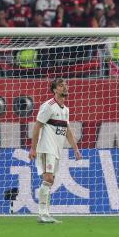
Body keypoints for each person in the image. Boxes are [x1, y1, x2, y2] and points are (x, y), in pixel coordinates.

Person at [28, 78, 82, 223]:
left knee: (50, 180)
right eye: (61, 86)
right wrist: (33, 148)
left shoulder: (65, 110)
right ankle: (42, 214)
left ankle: (45, 213)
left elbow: (68, 131)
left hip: (57, 149)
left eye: (66, 85)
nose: (65, 88)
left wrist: (75, 149)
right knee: (49, 178)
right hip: (46, 147)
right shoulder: (48, 106)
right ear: (54, 90)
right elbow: (37, 126)